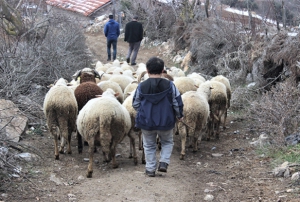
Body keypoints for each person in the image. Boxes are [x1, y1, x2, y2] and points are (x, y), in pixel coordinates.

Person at [132, 57, 184, 177]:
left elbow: (135, 103)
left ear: (147, 70)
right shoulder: (170, 85)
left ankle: (150, 169)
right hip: (166, 121)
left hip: (147, 122)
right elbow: (177, 101)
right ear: (162, 70)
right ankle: (164, 163)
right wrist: (179, 115)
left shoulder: (141, 86)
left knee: (149, 145)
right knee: (167, 142)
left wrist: (144, 112)